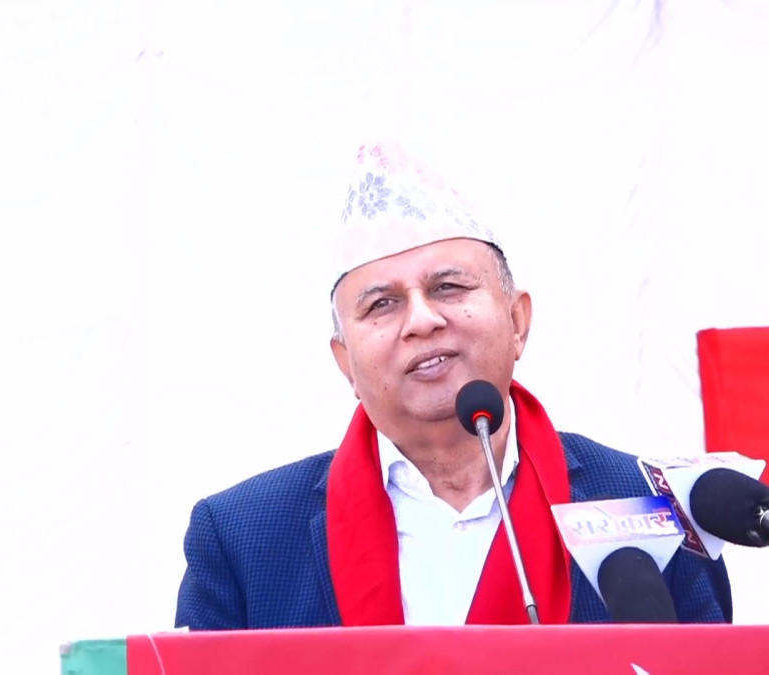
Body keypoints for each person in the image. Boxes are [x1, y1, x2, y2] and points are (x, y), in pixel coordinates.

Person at [174, 140, 732, 628]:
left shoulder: (652, 506)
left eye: (448, 287)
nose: (422, 320)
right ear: (345, 363)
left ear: (517, 321)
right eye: (382, 304)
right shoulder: (243, 537)